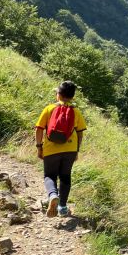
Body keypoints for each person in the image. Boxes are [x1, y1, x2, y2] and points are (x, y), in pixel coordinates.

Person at [34, 81, 87, 217]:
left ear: (59, 95)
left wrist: (39, 147)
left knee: (49, 175)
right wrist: (76, 150)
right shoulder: (76, 111)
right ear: (72, 97)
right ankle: (62, 207)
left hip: (51, 149)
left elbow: (39, 129)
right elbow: (80, 132)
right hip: (70, 149)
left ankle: (52, 195)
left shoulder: (49, 109)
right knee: (65, 177)